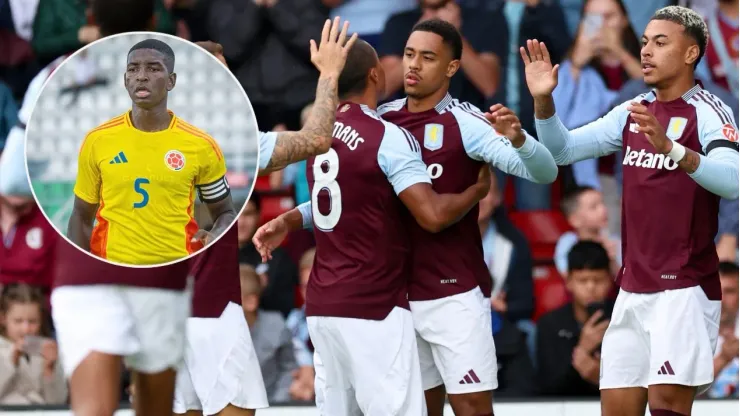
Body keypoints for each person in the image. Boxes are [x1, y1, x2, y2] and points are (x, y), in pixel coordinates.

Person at [252, 37, 493, 416]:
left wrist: (289, 218)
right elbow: (431, 216)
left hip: (321, 307)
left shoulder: (317, 136)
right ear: (375, 75)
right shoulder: (387, 135)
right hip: (373, 305)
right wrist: (475, 191)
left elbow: (339, 199)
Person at [520, 5, 739, 415]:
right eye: (643, 43)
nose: (646, 52)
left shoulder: (709, 110)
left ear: (691, 53)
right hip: (632, 289)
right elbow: (562, 149)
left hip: (684, 289)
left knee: (666, 407)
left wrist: (672, 149)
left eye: (660, 43)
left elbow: (733, 181)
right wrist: (544, 103)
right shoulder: (632, 110)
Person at [376, 19, 557, 416]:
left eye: (427, 57)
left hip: (452, 292)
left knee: (473, 407)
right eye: (409, 54)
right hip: (395, 295)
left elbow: (544, 172)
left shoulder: (468, 122)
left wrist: (520, 139)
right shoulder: (382, 121)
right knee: (417, 409)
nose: (414, 65)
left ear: (452, 67)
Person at [66, 38, 237, 266]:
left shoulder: (201, 145)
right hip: (111, 269)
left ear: (171, 81)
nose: (141, 76)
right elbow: (81, 216)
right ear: (125, 80)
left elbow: (225, 212)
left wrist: (215, 236)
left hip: (178, 270)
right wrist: (78, 267)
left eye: (154, 68)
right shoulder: (97, 140)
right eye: (133, 69)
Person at [536, 241, 614, 397]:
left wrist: (602, 378)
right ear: (569, 282)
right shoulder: (550, 324)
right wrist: (583, 348)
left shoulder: (622, 320)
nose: (590, 287)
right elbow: (548, 389)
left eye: (598, 280)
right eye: (582, 280)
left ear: (609, 280)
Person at [0, 284, 67, 405]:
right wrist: (11, 362)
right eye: (18, 321)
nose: (26, 329)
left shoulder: (48, 349)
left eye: (32, 321)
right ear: (3, 318)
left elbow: (58, 402)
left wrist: (49, 369)